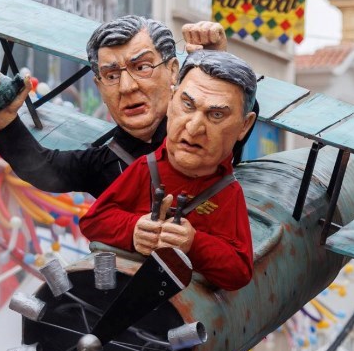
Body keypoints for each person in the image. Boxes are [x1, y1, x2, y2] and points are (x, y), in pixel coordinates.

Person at [0, 16, 228, 197]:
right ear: (99, 86)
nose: (127, 87)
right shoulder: (104, 163)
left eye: (142, 67)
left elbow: (231, 119)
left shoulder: (208, 136)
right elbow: (44, 169)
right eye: (112, 75)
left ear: (173, 71)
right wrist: (4, 119)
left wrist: (217, 68)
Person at [79, 51, 257, 291]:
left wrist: (194, 243)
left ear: (244, 125)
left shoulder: (227, 192)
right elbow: (93, 221)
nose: (194, 128)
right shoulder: (146, 168)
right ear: (171, 99)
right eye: (187, 105)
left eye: (216, 115)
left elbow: (239, 272)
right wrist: (134, 229)